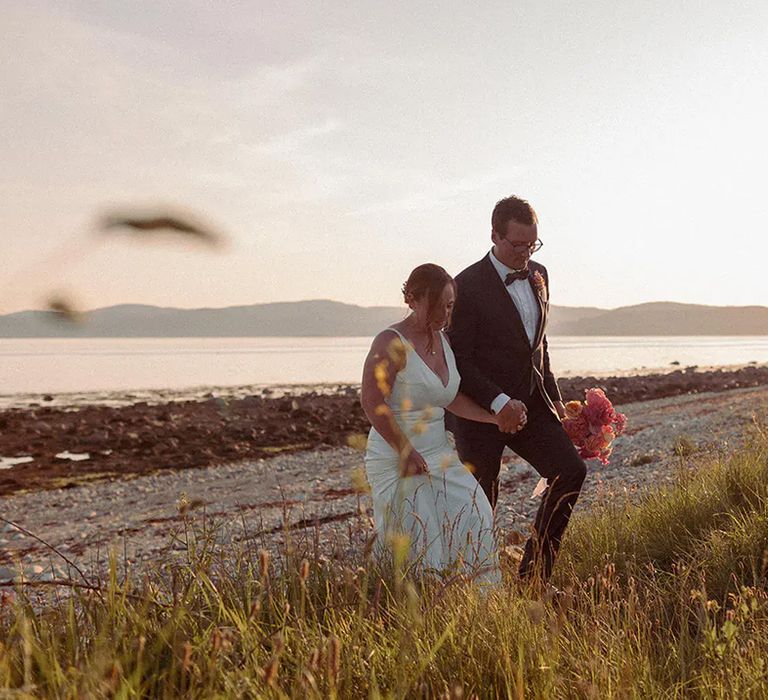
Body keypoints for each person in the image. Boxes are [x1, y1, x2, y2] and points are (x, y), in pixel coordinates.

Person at [447, 195, 587, 585]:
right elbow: (460, 359)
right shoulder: (465, 285)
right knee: (481, 503)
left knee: (570, 471)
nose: (526, 253)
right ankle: (471, 588)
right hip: (480, 412)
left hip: (532, 404)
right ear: (494, 235)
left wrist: (555, 397)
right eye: (518, 244)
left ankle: (533, 576)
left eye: (533, 244)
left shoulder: (540, 273)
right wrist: (498, 401)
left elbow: (537, 345)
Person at [361, 264, 522, 582]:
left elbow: (448, 398)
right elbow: (372, 403)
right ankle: (410, 605)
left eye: (449, 306)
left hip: (437, 451)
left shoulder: (443, 340)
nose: (444, 315)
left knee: (476, 509)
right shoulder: (389, 343)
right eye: (437, 307)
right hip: (397, 455)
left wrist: (492, 418)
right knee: (422, 536)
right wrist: (405, 451)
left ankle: (475, 601)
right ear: (413, 300)